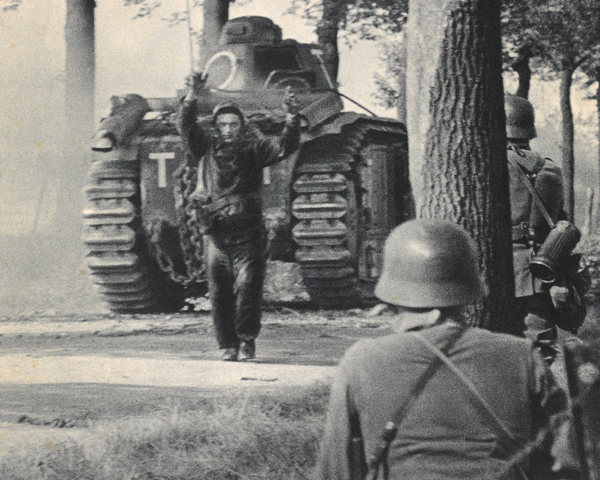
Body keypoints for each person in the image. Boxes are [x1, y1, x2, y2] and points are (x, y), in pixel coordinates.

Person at [315, 219, 577, 480]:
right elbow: (566, 463)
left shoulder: (362, 361)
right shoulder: (521, 356)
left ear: (391, 292)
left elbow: (336, 469)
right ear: (469, 287)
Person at [177, 73, 300, 361]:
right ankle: (227, 345)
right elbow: (185, 126)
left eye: (233, 124)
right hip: (216, 231)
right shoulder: (205, 149)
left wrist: (292, 117)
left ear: (242, 126)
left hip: (248, 230)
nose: (228, 129)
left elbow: (285, 146)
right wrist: (192, 96)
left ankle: (246, 341)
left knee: (248, 288)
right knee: (219, 292)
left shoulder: (254, 149)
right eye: (222, 125)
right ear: (216, 128)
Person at [505, 94, 568, 364]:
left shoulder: (492, 163)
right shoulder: (550, 167)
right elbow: (561, 218)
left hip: (501, 265)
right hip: (542, 267)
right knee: (541, 349)